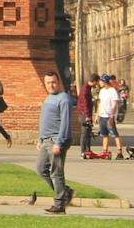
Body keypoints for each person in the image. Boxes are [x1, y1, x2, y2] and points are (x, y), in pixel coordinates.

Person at [36, 70, 74, 214]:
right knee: (41, 170)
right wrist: (40, 138)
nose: (51, 85)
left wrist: (59, 142)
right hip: (46, 140)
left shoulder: (63, 98)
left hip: (56, 140)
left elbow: (65, 122)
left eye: (53, 82)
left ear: (58, 83)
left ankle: (59, 205)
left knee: (56, 172)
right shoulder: (48, 98)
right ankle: (65, 192)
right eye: (48, 83)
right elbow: (44, 120)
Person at [97, 71, 124, 158]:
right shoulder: (102, 91)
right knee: (104, 134)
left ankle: (119, 151)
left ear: (105, 81)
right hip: (102, 115)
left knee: (114, 134)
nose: (99, 83)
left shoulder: (112, 91)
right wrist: (97, 115)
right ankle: (105, 151)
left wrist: (112, 116)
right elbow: (100, 103)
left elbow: (115, 104)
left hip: (109, 116)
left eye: (101, 81)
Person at [78, 74, 97, 154]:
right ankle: (83, 151)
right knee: (85, 133)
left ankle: (88, 150)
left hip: (86, 113)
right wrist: (87, 115)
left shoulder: (87, 88)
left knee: (88, 132)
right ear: (94, 81)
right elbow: (84, 103)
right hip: (84, 114)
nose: (97, 84)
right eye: (96, 82)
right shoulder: (85, 89)